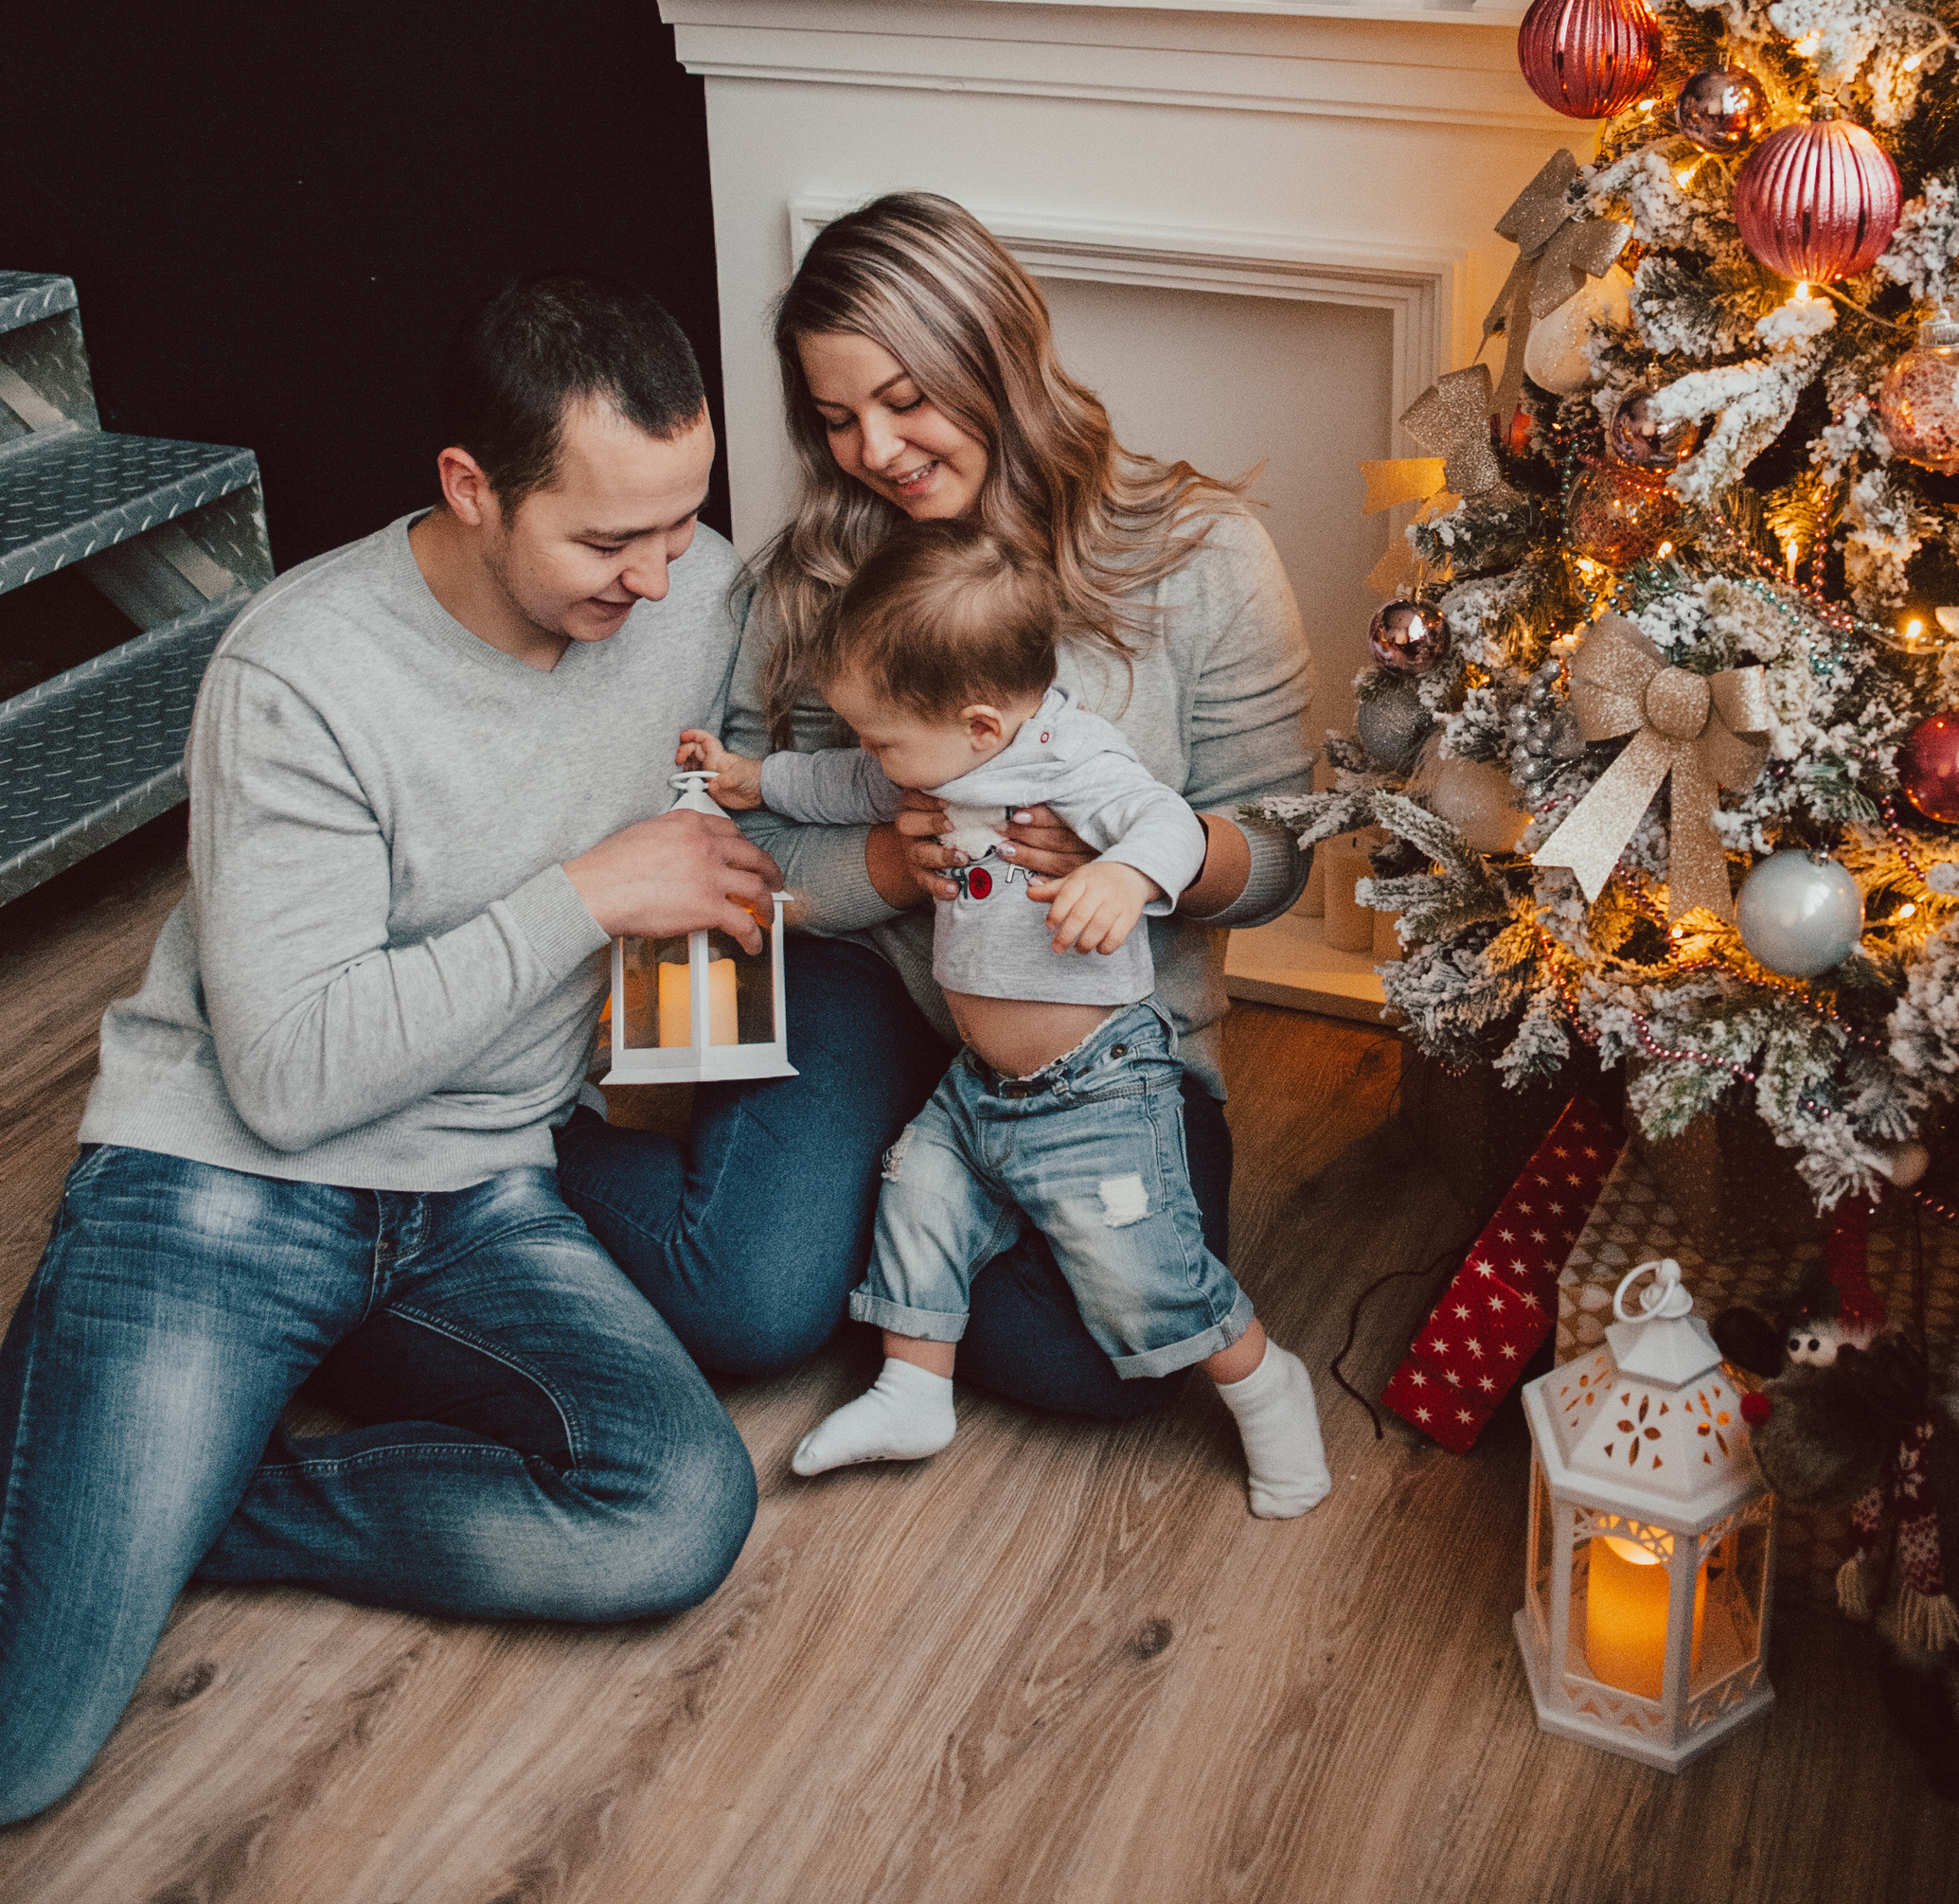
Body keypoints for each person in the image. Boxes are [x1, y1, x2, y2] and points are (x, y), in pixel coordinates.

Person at [0, 276, 779, 1826]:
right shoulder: (298, 673)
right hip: (220, 1185)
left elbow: (765, 782)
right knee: (22, 1755)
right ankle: (101, 1506)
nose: (660, 573)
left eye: (681, 519)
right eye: (607, 540)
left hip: (481, 1189)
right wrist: (587, 896)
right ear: (472, 489)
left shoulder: (697, 592)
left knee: (673, 1507)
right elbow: (290, 1082)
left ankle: (184, 1511)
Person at [555, 191, 1320, 1422]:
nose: (877, 450)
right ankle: (498, 1153)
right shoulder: (809, 579)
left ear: (999, 353)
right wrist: (887, 867)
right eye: (838, 417)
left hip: (1103, 1047)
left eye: (906, 399)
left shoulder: (1201, 556)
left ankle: (863, 1201)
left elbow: (1285, 852)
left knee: (1100, 1363)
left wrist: (1138, 863)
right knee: (745, 1306)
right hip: (867, 986)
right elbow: (735, 831)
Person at [679, 524, 1330, 1516]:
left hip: (1096, 1092)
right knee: (919, 1196)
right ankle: (912, 1388)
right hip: (978, 1084)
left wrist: (1120, 871)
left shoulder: (1076, 761)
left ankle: (1262, 1382)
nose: (875, 756)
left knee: (1142, 1280)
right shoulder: (926, 751)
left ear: (981, 725)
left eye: (887, 738)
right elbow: (842, 781)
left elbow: (1163, 821)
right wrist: (751, 780)